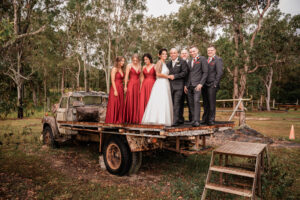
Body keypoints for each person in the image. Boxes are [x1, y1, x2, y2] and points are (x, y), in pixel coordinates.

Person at [142, 49, 173, 126]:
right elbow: (157, 74)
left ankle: (163, 119)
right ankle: (156, 119)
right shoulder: (159, 62)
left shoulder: (164, 63)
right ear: (159, 55)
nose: (165, 55)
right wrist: (168, 76)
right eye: (163, 54)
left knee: (163, 101)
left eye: (166, 54)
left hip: (165, 83)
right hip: (161, 83)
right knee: (160, 101)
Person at [185, 46, 208, 127]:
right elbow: (188, 74)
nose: (192, 53)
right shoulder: (190, 61)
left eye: (193, 51)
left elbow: (205, 72)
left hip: (197, 85)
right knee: (191, 103)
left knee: (196, 101)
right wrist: (186, 85)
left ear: (197, 50)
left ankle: (197, 121)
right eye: (190, 52)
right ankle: (193, 120)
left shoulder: (202, 59)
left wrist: (201, 84)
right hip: (189, 85)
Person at [202, 45, 223, 125]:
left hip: (212, 84)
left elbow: (220, 73)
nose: (209, 52)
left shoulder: (218, 60)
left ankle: (211, 120)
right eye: (208, 51)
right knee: (205, 103)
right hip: (204, 85)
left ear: (215, 51)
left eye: (211, 50)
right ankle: (205, 119)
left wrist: (215, 84)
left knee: (211, 103)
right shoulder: (206, 60)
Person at [167, 48, 188, 126]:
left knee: (176, 104)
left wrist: (175, 76)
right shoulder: (168, 63)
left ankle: (175, 121)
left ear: (177, 54)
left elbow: (184, 73)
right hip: (169, 87)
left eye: (174, 53)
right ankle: (177, 119)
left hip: (179, 86)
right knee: (171, 104)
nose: (172, 54)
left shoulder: (182, 62)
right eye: (171, 53)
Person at [105, 56, 125, 124]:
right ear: (118, 62)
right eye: (122, 61)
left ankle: (119, 120)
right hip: (115, 87)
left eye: (123, 61)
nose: (123, 62)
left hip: (121, 88)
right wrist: (115, 90)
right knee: (115, 103)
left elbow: (123, 80)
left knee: (120, 104)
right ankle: (112, 120)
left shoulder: (121, 69)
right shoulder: (114, 69)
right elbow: (112, 80)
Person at [123, 54, 141, 124]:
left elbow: (140, 76)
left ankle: (135, 118)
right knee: (130, 100)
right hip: (131, 84)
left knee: (136, 100)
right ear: (132, 59)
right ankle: (129, 118)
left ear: (138, 60)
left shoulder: (140, 66)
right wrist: (125, 86)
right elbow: (126, 76)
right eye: (134, 60)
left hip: (137, 85)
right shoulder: (129, 66)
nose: (135, 61)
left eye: (136, 60)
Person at [139, 53, 156, 123]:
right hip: (145, 85)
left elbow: (157, 76)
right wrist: (141, 87)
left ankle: (152, 118)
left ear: (150, 59)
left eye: (146, 59)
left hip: (153, 84)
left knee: (151, 100)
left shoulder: (154, 66)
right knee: (144, 100)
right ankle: (144, 118)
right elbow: (142, 78)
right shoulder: (143, 67)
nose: (145, 61)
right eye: (144, 60)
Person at [180, 49, 192, 123]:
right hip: (179, 86)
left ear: (188, 55)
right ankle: (180, 119)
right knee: (180, 103)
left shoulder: (191, 62)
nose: (184, 54)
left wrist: (186, 85)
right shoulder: (178, 63)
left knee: (190, 103)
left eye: (185, 53)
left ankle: (192, 119)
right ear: (180, 55)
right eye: (182, 53)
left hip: (189, 86)